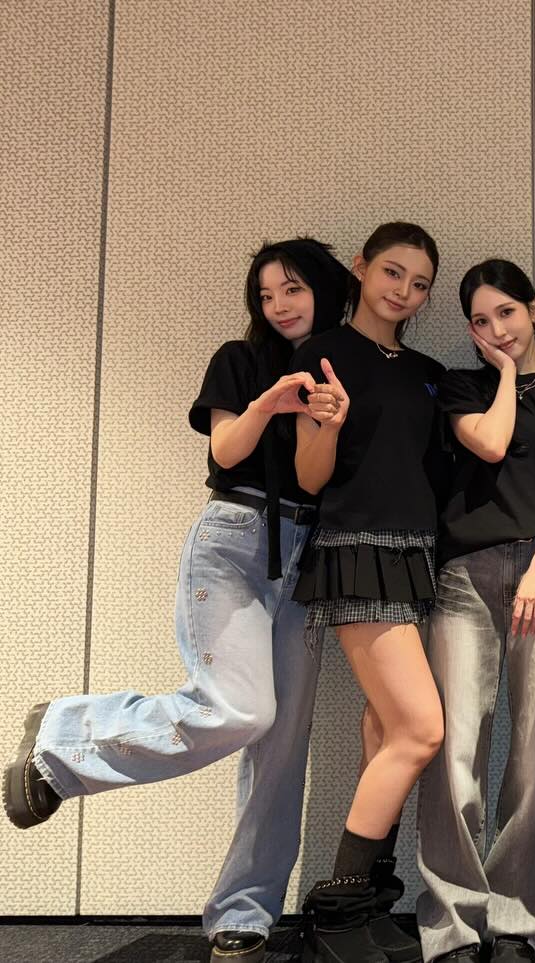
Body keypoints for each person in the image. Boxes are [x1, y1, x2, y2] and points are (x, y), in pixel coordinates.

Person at [3, 238, 354, 963]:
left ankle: (244, 913)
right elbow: (226, 452)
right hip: (234, 542)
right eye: (266, 294)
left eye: (293, 289)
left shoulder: (340, 372)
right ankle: (67, 733)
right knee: (241, 709)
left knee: (282, 747)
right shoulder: (240, 358)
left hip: (307, 558)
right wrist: (269, 402)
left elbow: (324, 479)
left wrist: (330, 418)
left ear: (324, 289)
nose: (279, 305)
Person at [290, 221, 446, 963]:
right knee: (421, 730)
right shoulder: (323, 355)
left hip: (417, 556)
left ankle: (373, 901)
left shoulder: (426, 370)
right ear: (360, 267)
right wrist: (327, 423)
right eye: (392, 272)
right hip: (356, 549)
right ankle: (338, 909)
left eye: (419, 284)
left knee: (386, 731)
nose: (404, 291)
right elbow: (310, 477)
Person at [415, 259, 535, 963]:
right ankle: (452, 926)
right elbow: (490, 442)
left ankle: (520, 921)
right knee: (456, 749)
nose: (496, 328)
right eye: (481, 320)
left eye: (506, 312)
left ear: (533, 308)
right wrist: (507, 373)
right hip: (465, 576)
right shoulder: (463, 386)